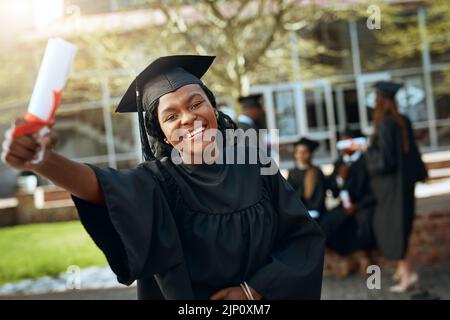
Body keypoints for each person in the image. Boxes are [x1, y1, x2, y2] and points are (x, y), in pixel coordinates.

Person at [1, 55, 325, 300]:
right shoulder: (159, 181)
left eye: (196, 103)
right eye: (171, 117)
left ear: (213, 107)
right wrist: (44, 161)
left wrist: (253, 291)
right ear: (164, 136)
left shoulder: (255, 163)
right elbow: (103, 188)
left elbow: (302, 237)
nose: (189, 118)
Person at [355, 81, 428, 292]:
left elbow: (385, 161)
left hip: (390, 188)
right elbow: (413, 153)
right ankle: (403, 270)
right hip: (403, 185)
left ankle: (408, 274)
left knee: (394, 229)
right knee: (402, 226)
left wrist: (366, 149)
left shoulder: (386, 124)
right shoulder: (402, 120)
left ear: (379, 102)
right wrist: (421, 174)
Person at [322, 129, 376, 278]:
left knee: (364, 221)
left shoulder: (367, 160)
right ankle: (347, 257)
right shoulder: (339, 163)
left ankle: (366, 257)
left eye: (348, 142)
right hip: (345, 205)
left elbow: (374, 189)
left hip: (364, 203)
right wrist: (340, 178)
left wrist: (358, 206)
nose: (344, 146)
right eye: (341, 142)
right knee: (326, 223)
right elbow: (333, 191)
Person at [287, 137, 326, 221]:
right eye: (298, 152)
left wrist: (314, 210)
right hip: (299, 213)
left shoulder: (317, 172)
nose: (300, 155)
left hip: (317, 213)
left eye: (304, 152)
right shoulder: (292, 173)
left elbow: (320, 195)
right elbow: (290, 196)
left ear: (310, 154)